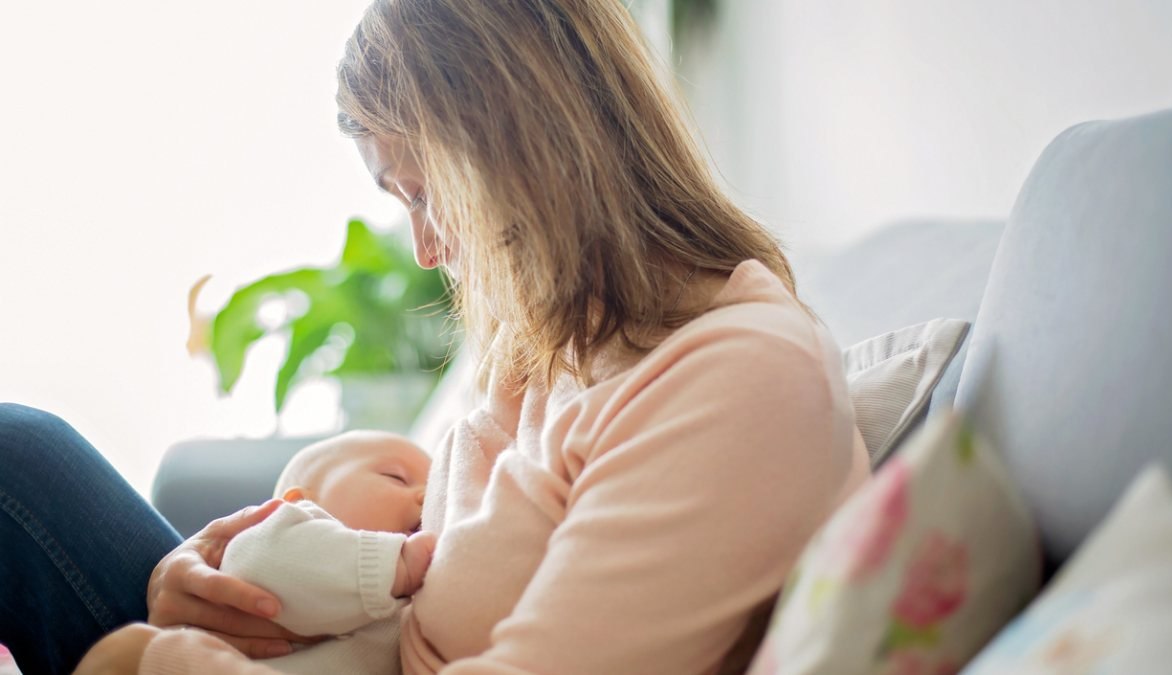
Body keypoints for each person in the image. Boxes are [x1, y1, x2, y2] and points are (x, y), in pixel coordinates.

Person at [1, 1, 870, 673]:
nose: (423, 249)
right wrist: (192, 590)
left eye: (424, 192)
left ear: (522, 150)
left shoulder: (738, 385)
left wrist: (170, 659)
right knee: (22, 460)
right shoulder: (558, 336)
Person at [218, 431, 435, 675]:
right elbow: (257, 564)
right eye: (397, 477)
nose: (427, 496)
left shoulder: (414, 601)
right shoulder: (270, 538)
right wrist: (398, 566)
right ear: (299, 502)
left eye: (436, 489)